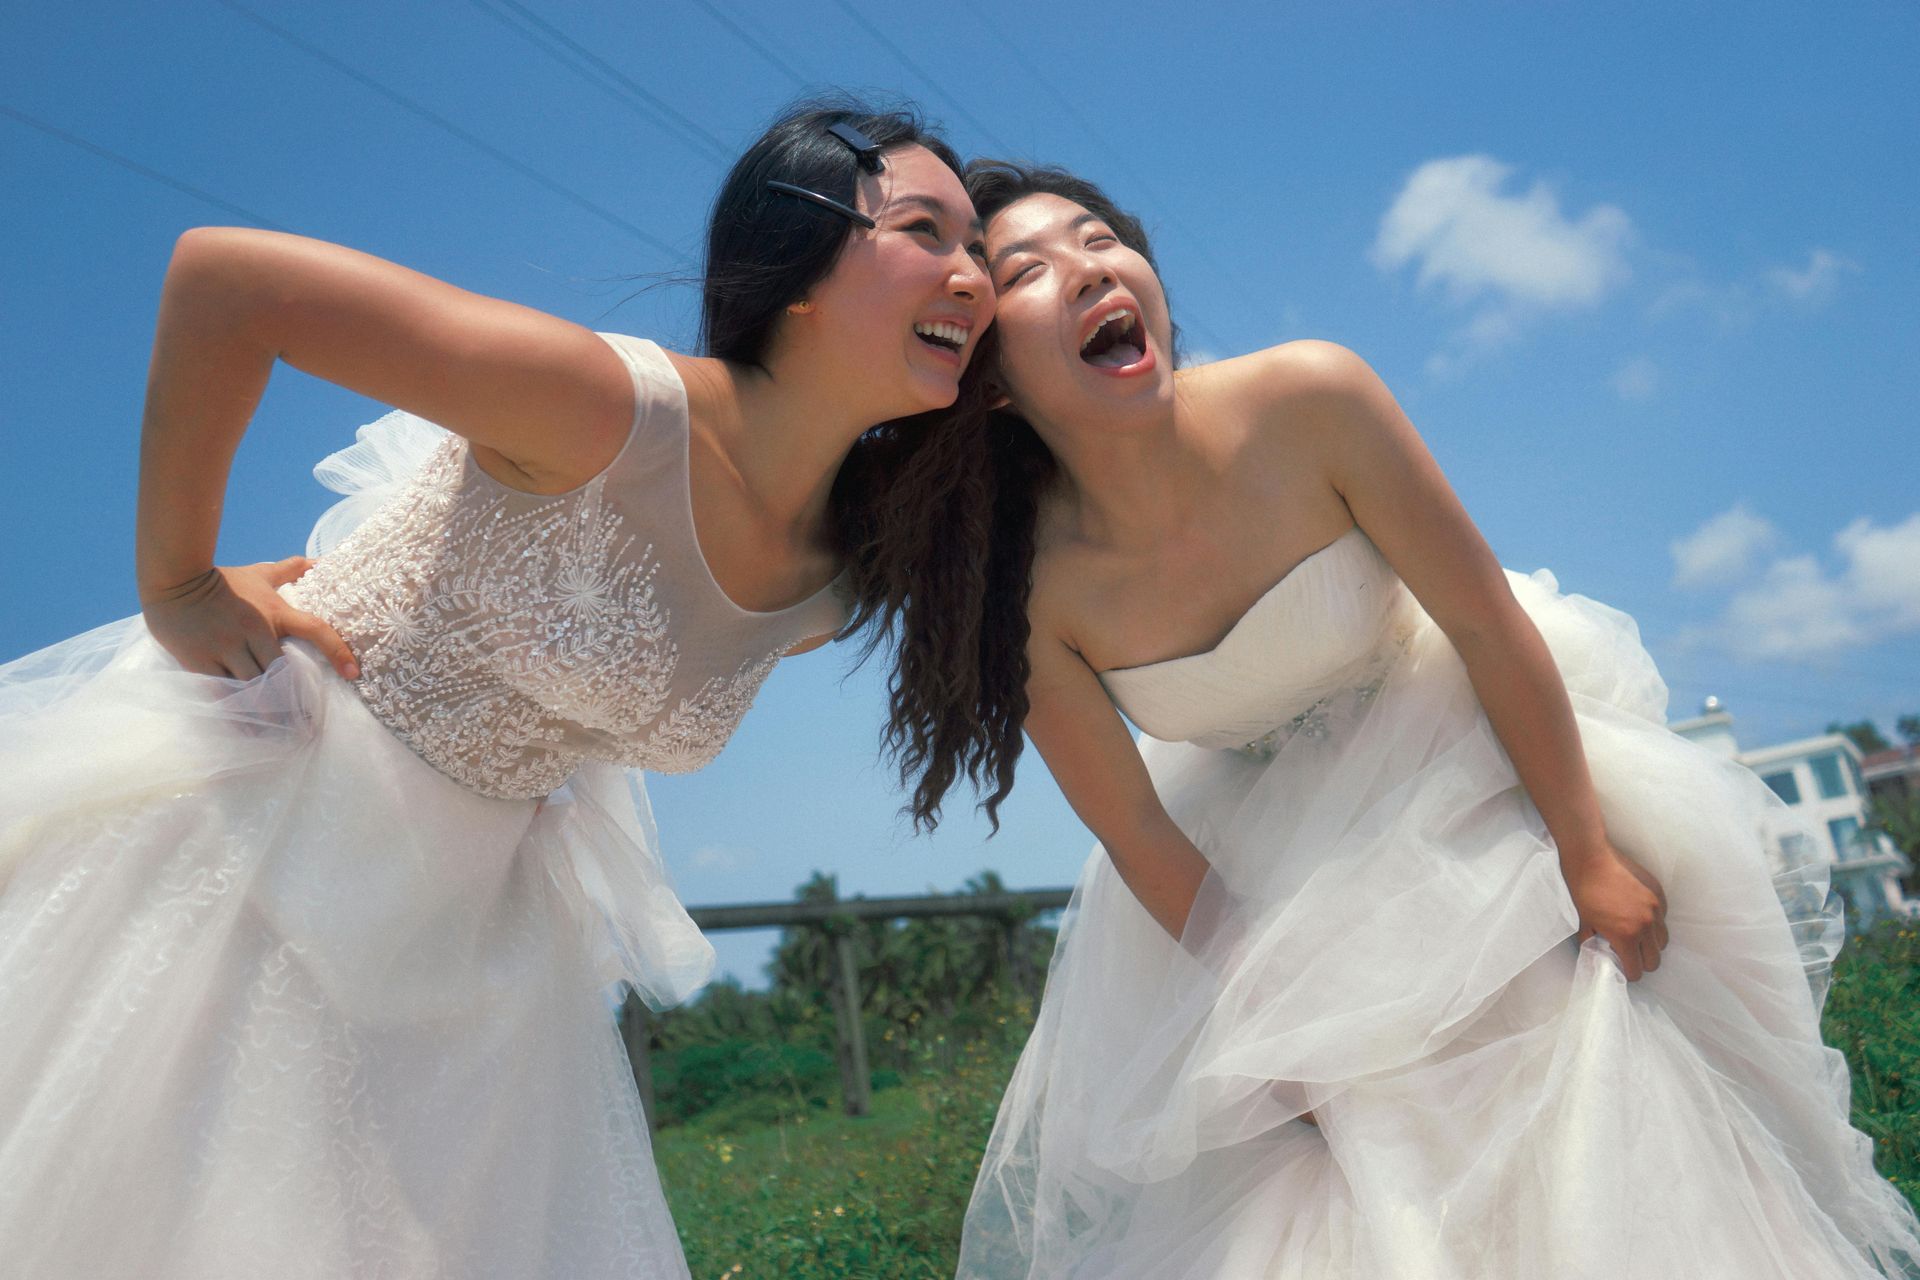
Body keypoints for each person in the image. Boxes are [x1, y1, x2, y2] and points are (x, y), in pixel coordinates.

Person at [846, 160, 1920, 1278]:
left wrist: (1586, 848)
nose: (1091, 268)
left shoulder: (1311, 398)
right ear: (998, 384)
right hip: (1273, 875)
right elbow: (1140, 836)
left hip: (1478, 754)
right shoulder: (1031, 595)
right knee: (1357, 1184)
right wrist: (1281, 1027)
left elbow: (1486, 620)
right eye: (1030, 269)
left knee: (1594, 1080)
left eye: (1102, 237)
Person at [0, 100, 990, 1278]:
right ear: (797, 267)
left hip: (482, 950)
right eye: (928, 230)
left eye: (981, 249)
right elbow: (228, 280)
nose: (971, 276)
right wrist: (178, 580)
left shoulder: (832, 588)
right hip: (273, 830)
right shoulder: (604, 408)